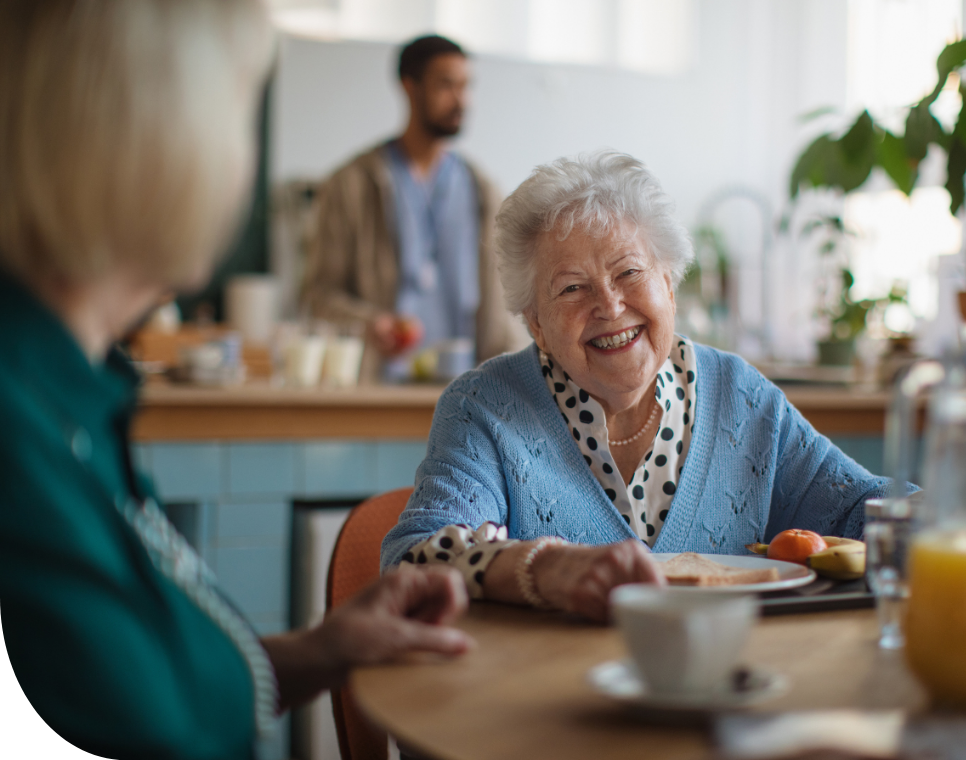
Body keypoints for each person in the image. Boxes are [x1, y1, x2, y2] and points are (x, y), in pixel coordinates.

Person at [0, 3, 472, 758]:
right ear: (156, 143)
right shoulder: (24, 432)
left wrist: (324, 648)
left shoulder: (83, 391)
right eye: (237, 114)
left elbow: (151, 684)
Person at [381, 151, 917, 622]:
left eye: (629, 273)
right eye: (571, 288)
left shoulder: (742, 398)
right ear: (536, 324)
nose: (610, 306)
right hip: (542, 711)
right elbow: (413, 560)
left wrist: (965, 517)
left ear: (669, 282)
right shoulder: (484, 408)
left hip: (714, 701)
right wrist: (541, 568)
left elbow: (864, 510)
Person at [301, 34, 520, 381]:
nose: (461, 99)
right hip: (381, 388)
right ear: (409, 86)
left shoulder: (483, 191)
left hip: (466, 390)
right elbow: (317, 296)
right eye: (446, 85)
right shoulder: (352, 185)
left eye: (466, 86)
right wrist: (369, 324)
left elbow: (502, 309)